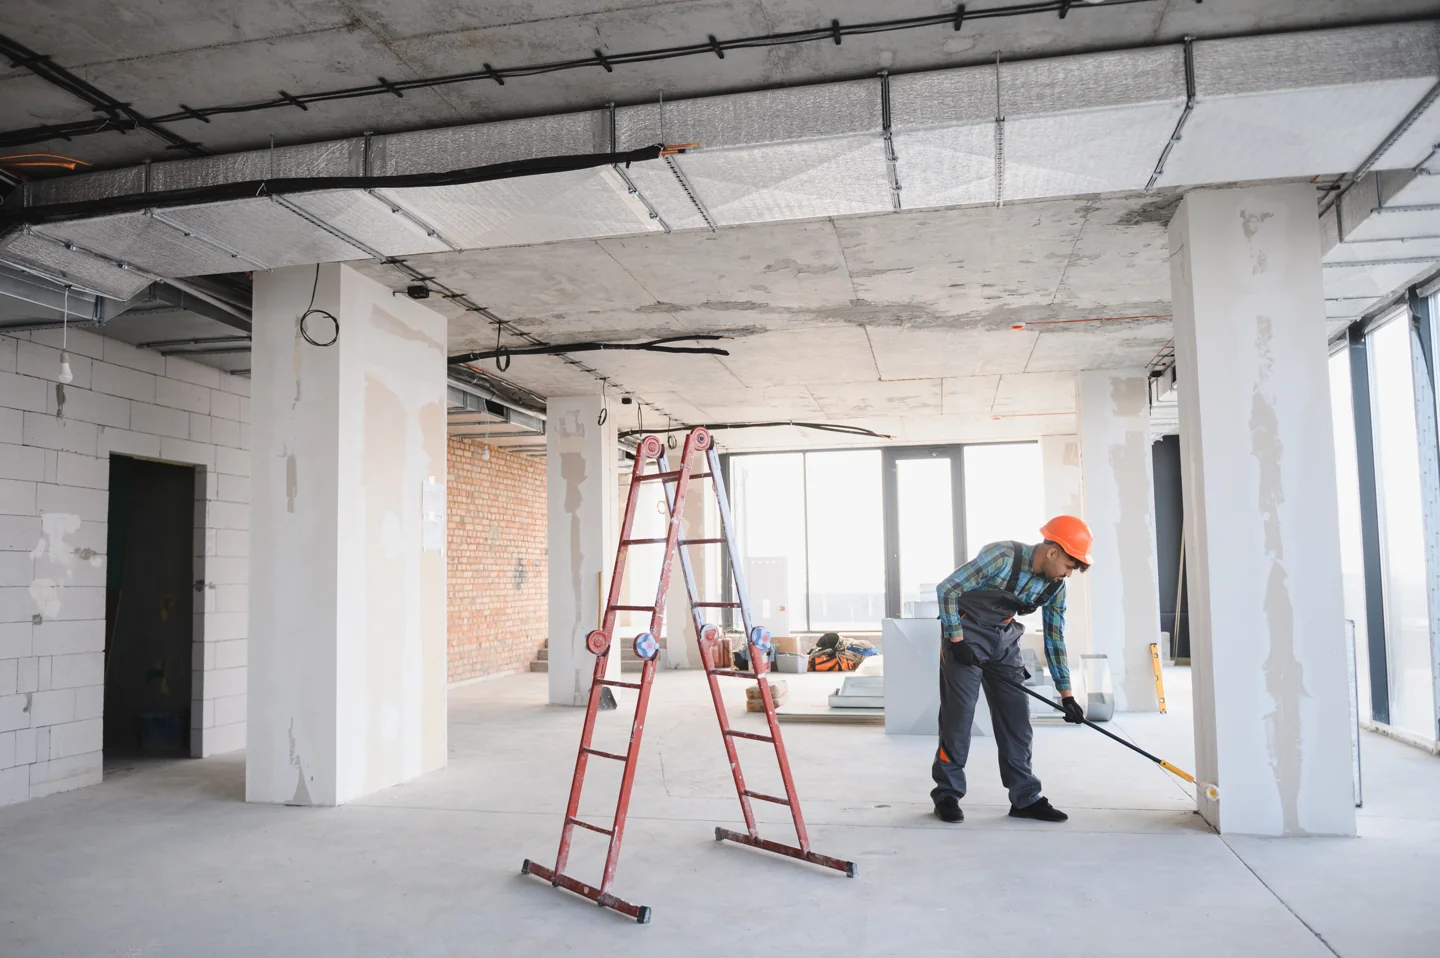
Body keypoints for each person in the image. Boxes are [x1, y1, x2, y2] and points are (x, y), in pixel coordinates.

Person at [931, 516, 1093, 824]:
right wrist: (956, 639)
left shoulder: (1054, 587)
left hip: (1004, 640)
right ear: (1053, 551)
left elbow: (1054, 637)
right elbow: (947, 590)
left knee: (1017, 719)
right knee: (959, 716)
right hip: (966, 634)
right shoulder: (1002, 557)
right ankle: (947, 794)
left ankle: (1025, 798)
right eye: (1071, 565)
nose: (1069, 574)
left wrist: (1066, 695)